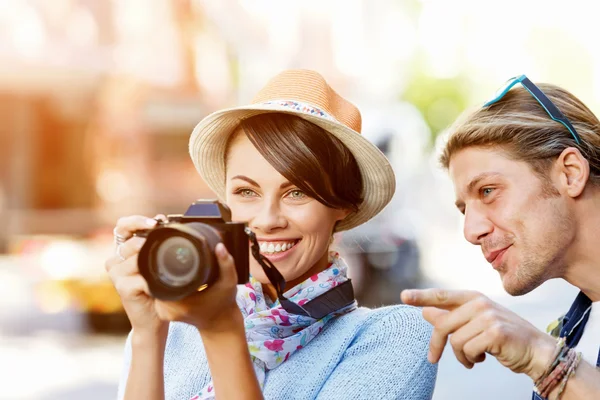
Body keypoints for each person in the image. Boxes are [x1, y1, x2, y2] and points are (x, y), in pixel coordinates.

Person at [107, 69, 437, 400]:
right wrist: (147, 334)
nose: (267, 220)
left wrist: (222, 330)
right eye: (247, 192)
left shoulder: (394, 337)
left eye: (297, 193)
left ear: (344, 205)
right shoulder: (178, 327)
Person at [401, 75, 600, 399]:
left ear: (570, 173)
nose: (471, 231)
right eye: (464, 209)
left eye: (488, 191)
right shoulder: (575, 330)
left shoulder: (549, 352)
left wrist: (542, 356)